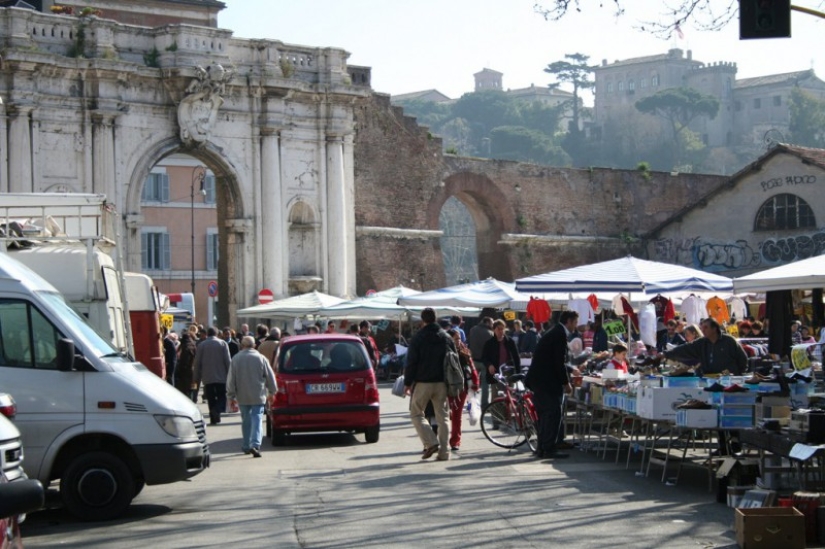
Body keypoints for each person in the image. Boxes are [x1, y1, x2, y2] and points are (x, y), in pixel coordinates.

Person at [404, 308, 454, 461]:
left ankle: (431, 442)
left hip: (423, 382)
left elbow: (412, 362)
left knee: (416, 413)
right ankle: (445, 452)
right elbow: (453, 359)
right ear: (436, 318)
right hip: (441, 382)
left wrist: (407, 382)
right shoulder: (446, 337)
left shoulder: (418, 337)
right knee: (443, 416)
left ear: (423, 320)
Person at [525, 310, 578, 459]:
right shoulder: (559, 334)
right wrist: (566, 382)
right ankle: (548, 448)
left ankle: (543, 447)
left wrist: (570, 370)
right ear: (568, 321)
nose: (576, 325)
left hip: (540, 380)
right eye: (574, 322)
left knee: (546, 415)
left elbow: (553, 359)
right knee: (551, 414)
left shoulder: (555, 331)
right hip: (546, 382)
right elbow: (557, 362)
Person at [226, 335, 277, 458]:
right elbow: (270, 376)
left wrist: (230, 396)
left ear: (242, 345)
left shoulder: (236, 359)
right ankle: (255, 444)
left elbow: (231, 379)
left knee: (246, 420)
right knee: (257, 418)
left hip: (242, 395)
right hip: (258, 394)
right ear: (254, 345)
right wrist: (272, 392)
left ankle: (246, 445)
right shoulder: (261, 358)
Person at [661, 318, 748, 376]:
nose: (703, 330)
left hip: (727, 381)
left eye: (706, 328)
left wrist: (737, 375)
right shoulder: (702, 342)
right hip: (707, 380)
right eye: (702, 328)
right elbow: (685, 349)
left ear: (714, 328)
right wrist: (665, 354)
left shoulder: (729, 341)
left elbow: (743, 360)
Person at [446, 328, 479, 452]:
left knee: (456, 415)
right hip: (447, 387)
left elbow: (472, 367)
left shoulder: (464, 351)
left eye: (459, 338)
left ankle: (455, 441)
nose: (458, 341)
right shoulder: (444, 351)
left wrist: (475, 382)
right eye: (456, 338)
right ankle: (440, 440)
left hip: (461, 387)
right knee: (445, 414)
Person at [193, 326, 232, 425]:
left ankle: (214, 418)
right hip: (221, 376)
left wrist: (196, 377)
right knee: (222, 396)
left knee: (210, 398)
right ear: (217, 334)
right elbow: (228, 361)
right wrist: (231, 375)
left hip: (207, 376)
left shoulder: (202, 345)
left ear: (207, 334)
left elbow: (197, 362)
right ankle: (217, 410)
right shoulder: (223, 344)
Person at [481, 319, 521, 399]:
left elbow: (516, 358)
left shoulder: (510, 341)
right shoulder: (489, 343)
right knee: (497, 397)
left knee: (510, 397)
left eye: (502, 329)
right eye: (498, 329)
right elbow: (484, 357)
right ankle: (496, 411)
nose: (501, 331)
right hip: (496, 374)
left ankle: (509, 411)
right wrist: (489, 365)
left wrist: (518, 373)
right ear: (494, 330)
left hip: (509, 373)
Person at [175, 331, 198, 402]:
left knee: (184, 390)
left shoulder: (184, 347)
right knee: (192, 388)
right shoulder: (194, 345)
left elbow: (183, 361)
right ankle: (193, 399)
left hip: (185, 372)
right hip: (193, 371)